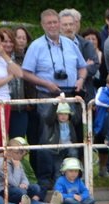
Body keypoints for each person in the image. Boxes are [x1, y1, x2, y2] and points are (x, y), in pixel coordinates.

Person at [21, 9, 87, 161]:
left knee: (72, 135)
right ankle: (47, 178)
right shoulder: (36, 46)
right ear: (42, 25)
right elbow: (25, 72)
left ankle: (72, 172)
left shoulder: (70, 44)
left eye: (54, 22)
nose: (52, 26)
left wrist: (80, 80)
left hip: (70, 94)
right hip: (48, 95)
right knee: (47, 136)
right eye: (48, 23)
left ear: (59, 23)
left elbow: (82, 67)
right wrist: (46, 83)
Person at [0, 138, 61, 204]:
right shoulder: (2, 163)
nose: (20, 155)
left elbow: (24, 178)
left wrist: (24, 184)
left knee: (35, 188)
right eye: (17, 153)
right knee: (22, 192)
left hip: (17, 189)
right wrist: (17, 167)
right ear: (9, 152)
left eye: (21, 153)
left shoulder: (17, 162)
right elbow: (14, 182)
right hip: (3, 191)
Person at [59, 8, 99, 102]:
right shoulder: (53, 46)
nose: (68, 28)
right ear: (59, 26)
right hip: (62, 93)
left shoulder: (86, 44)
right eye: (65, 25)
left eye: (71, 24)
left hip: (85, 93)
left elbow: (94, 66)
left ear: (75, 25)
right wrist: (83, 67)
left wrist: (73, 71)